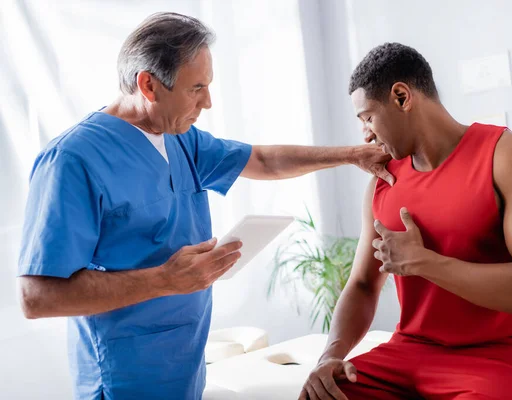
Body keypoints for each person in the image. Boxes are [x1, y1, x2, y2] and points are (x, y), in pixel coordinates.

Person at [16, 13, 395, 400]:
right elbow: (37, 296)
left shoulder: (181, 139)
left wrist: (352, 155)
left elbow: (261, 161)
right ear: (148, 84)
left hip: (184, 370)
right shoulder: (73, 160)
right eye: (196, 88)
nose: (208, 102)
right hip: (122, 379)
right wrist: (165, 278)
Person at [300, 42, 512, 400]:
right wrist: (331, 354)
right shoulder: (383, 182)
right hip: (409, 354)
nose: (365, 134)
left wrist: (428, 264)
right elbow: (364, 285)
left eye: (367, 117)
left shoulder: (510, 156)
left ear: (401, 97)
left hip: (501, 357)